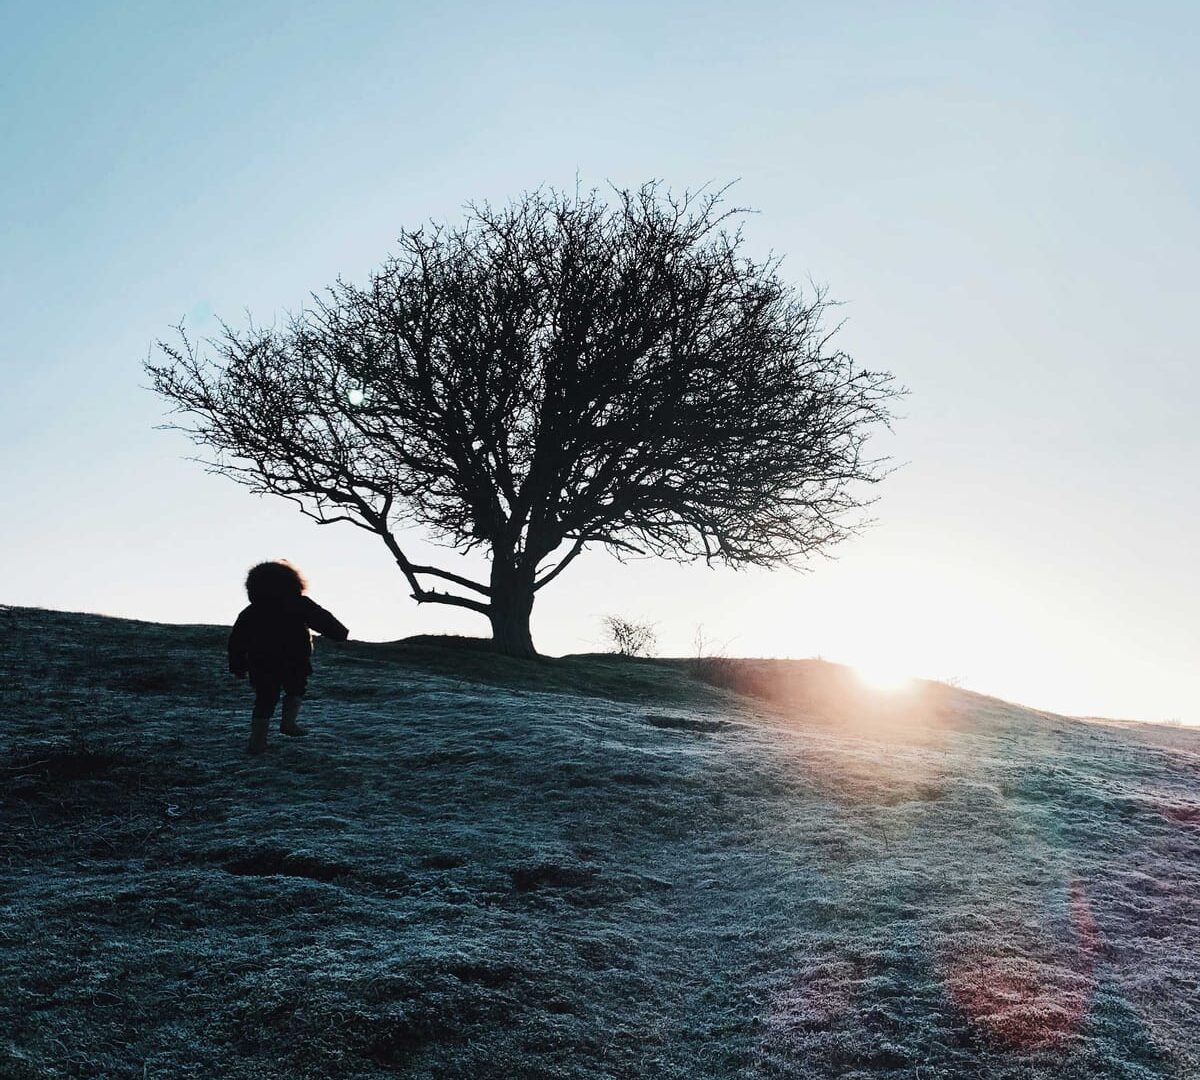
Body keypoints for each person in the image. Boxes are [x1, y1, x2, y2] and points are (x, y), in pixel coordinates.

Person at [228, 560, 349, 755]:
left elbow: (237, 640)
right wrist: (339, 633)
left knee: (265, 697)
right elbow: (322, 619)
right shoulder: (299, 603)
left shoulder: (252, 611)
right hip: (294, 657)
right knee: (295, 688)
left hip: (262, 661)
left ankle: (257, 741)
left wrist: (237, 663)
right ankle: (288, 724)